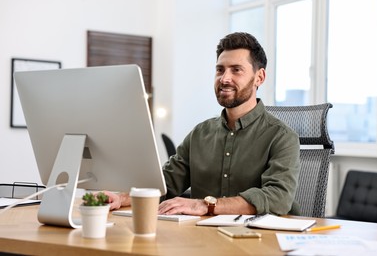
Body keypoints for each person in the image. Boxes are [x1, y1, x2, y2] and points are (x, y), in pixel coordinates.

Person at [105, 32, 300, 216]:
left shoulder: (282, 137)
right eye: (220, 70)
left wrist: (204, 205)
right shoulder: (200, 133)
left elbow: (278, 198)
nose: (224, 79)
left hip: (259, 242)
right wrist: (122, 197)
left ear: (260, 77)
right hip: (203, 239)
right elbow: (167, 183)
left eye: (236, 70)